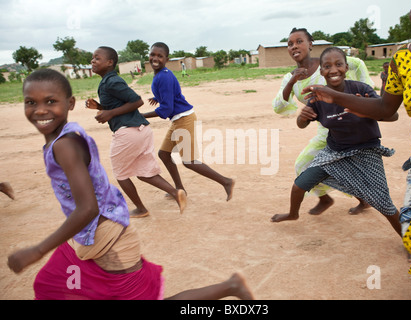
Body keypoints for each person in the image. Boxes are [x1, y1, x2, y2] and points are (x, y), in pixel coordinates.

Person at [7, 68, 254, 300]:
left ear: (69, 104)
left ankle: (230, 285)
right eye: (31, 102)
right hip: (86, 236)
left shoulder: (65, 145)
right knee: (51, 284)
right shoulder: (61, 138)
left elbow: (88, 208)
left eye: (50, 101)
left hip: (108, 239)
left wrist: (38, 250)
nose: (40, 110)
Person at [301, 0, 411, 300]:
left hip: (382, 153)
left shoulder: (361, 84)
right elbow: (385, 108)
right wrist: (331, 96)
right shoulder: (403, 58)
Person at [271, 47, 402, 239]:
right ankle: (293, 214)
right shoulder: (318, 97)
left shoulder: (360, 89)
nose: (334, 70)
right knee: (300, 184)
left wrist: (366, 111)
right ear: (321, 72)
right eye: (327, 66)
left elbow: (393, 115)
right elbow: (302, 124)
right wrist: (302, 116)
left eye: (338, 64)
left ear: (346, 67)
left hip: (366, 150)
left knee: (384, 203)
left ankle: (408, 241)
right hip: (335, 152)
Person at [273, 28, 375, 215]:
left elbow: (358, 64)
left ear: (310, 44)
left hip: (350, 127)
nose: (294, 46)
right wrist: (291, 82)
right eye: (290, 44)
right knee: (303, 165)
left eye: (299, 41)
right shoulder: (290, 78)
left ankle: (363, 199)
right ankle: (325, 198)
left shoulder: (327, 64)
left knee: (346, 169)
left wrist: (366, 96)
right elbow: (279, 106)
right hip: (326, 132)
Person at [85, 46, 186, 218]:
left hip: (128, 132)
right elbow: (121, 105)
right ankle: (177, 193)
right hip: (141, 130)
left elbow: (137, 101)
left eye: (97, 58)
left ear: (110, 63)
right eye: (92, 58)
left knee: (121, 173)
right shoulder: (108, 81)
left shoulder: (112, 81)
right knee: (144, 172)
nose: (92, 61)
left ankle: (140, 209)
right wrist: (101, 107)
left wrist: (109, 113)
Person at [142, 42, 235, 201]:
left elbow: (166, 110)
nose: (155, 58)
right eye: (153, 55)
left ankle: (226, 182)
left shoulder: (162, 76)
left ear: (167, 58)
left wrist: (142, 116)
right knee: (164, 154)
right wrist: (157, 97)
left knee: (189, 161)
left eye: (160, 56)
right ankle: (180, 189)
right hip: (180, 119)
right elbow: (172, 93)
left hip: (183, 119)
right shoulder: (162, 74)